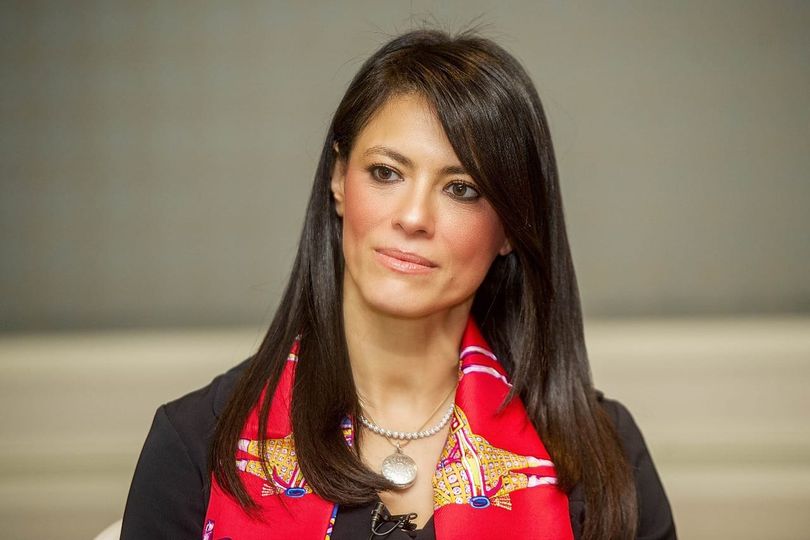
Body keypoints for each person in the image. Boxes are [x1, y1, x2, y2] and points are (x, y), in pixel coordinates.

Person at [121, 28, 676, 540]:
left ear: (511, 226)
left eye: (461, 189)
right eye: (386, 173)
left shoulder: (601, 457)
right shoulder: (196, 443)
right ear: (339, 179)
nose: (413, 217)